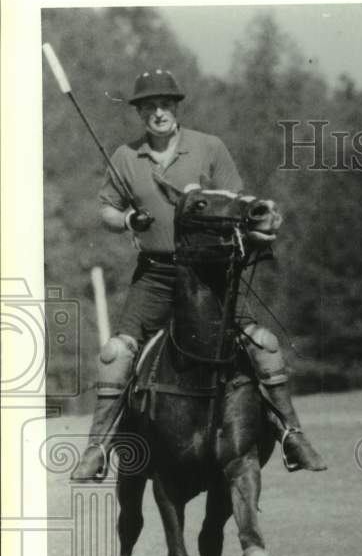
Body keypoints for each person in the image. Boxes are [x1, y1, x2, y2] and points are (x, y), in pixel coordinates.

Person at [71, 68, 326, 481]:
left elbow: (238, 200)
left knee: (264, 344)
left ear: (176, 107)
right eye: (150, 106)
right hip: (155, 275)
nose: (159, 113)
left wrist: (259, 225)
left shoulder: (209, 148)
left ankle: (293, 435)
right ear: (139, 112)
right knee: (116, 354)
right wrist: (128, 219)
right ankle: (97, 448)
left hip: (211, 277)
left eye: (166, 104)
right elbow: (106, 210)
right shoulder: (124, 157)